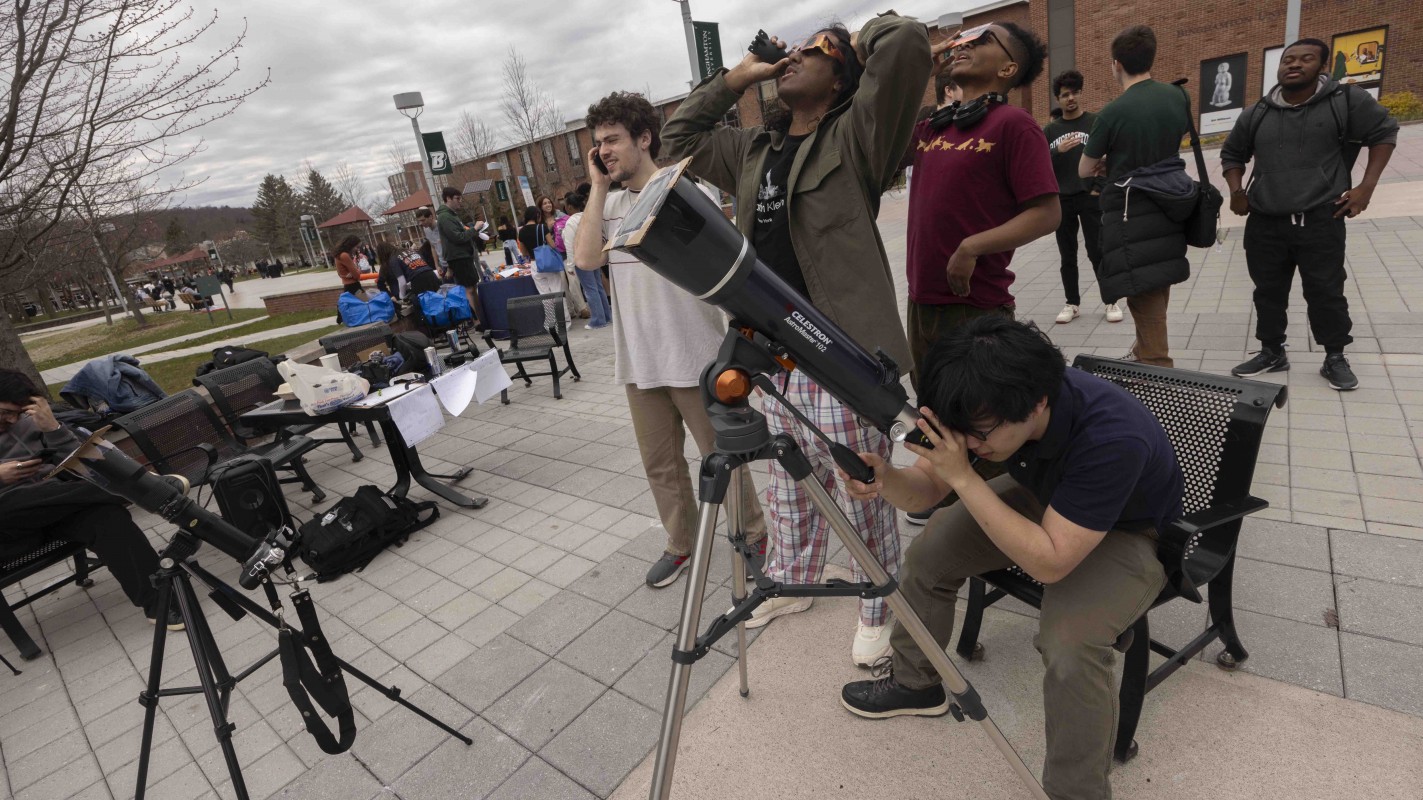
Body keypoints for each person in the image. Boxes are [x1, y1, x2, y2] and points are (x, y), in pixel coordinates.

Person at [664, 13, 928, 664]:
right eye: (793, 51)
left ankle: (877, 606)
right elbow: (675, 139)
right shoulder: (751, 149)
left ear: (841, 77)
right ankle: (796, 580)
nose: (796, 58)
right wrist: (737, 77)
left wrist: (858, 36)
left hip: (838, 350)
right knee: (786, 487)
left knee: (859, 487)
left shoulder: (856, 135)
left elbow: (908, 45)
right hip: (769, 349)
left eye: (816, 52)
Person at [837, 316, 1181, 800]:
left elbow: (1050, 562)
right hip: (1049, 498)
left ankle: (1075, 791)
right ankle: (917, 683)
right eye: (962, 433)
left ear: (1038, 402)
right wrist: (885, 479)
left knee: (1071, 642)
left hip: (1131, 530)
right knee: (931, 548)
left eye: (979, 435)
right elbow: (928, 487)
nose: (971, 445)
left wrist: (965, 478)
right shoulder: (987, 409)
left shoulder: (1111, 434)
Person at [573, 91, 768, 589]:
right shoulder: (610, 205)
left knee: (721, 458)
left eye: (613, 140)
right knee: (660, 465)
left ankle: (752, 535)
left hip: (694, 355)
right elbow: (586, 259)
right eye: (598, 144)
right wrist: (597, 187)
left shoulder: (683, 191)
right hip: (639, 363)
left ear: (644, 138)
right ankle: (681, 544)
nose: (604, 151)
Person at [898, 21, 1059, 526]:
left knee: (982, 419)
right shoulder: (933, 126)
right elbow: (880, 132)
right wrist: (919, 60)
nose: (964, 46)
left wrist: (973, 247)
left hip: (976, 305)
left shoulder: (1014, 125)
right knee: (933, 408)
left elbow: (1047, 212)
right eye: (961, 42)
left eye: (982, 41)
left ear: (1009, 69)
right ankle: (939, 496)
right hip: (922, 300)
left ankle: (987, 519)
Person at [1221, 38, 1398, 391]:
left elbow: (1384, 133)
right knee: (1267, 291)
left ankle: (1334, 356)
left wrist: (1366, 188)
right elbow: (1232, 154)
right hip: (1266, 220)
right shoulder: (1257, 112)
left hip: (1321, 217)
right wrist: (1236, 191)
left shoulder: (1345, 101)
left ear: (1322, 67)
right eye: (1288, 59)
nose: (1294, 64)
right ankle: (1272, 351)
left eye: (1305, 59)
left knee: (1326, 290)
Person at [0, 369, 184, 631]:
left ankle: (161, 603)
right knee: (16, 500)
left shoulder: (27, 422)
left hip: (54, 506)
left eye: (17, 413)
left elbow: (80, 458)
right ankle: (144, 487)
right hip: (8, 528)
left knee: (106, 517)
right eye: (5, 412)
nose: (11, 420)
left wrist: (52, 427)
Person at [1078, 25, 1192, 368]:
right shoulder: (1177, 96)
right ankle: (1144, 353)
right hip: (1172, 202)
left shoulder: (1112, 113)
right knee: (1160, 281)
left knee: (1143, 293)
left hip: (1132, 211)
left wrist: (1110, 162)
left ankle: (1156, 369)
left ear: (1116, 64)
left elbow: (1085, 169)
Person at [1043, 69, 1116, 324]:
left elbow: (1110, 157)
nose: (1070, 98)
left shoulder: (1095, 123)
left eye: (1074, 93)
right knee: (1067, 255)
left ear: (1080, 94)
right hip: (1062, 201)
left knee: (1098, 251)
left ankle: (1110, 301)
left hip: (1090, 197)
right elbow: (1039, 166)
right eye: (1065, 94)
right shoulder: (1050, 131)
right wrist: (1057, 152)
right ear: (1058, 99)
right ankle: (1072, 303)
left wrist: (1099, 187)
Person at [561, 188, 611, 330]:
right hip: (595, 256)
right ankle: (606, 316)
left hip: (581, 259)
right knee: (598, 286)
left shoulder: (571, 222)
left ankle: (598, 320)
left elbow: (570, 246)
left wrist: (570, 266)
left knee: (590, 289)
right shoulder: (589, 216)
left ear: (569, 207)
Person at [517, 205, 572, 331]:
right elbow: (552, 245)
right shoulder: (542, 227)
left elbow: (524, 252)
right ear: (537, 215)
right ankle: (565, 323)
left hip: (535, 265)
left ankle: (551, 325)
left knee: (545, 296)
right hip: (548, 263)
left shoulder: (522, 231)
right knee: (557, 293)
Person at [436, 187, 480, 311]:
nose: (460, 201)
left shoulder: (451, 215)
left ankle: (481, 318)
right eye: (457, 198)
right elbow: (458, 237)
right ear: (448, 199)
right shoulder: (445, 217)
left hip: (463, 255)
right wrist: (474, 229)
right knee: (469, 289)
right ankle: (477, 320)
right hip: (458, 257)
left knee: (472, 287)